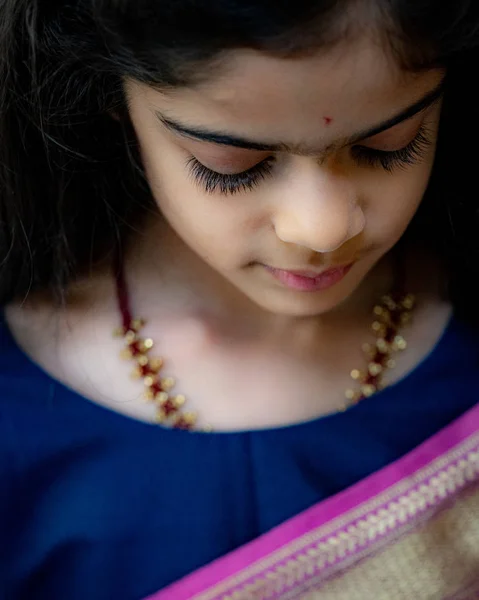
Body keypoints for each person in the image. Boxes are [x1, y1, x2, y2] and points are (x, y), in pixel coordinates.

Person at [1, 0, 479, 598]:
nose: (323, 229)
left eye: (389, 146)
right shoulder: (19, 414)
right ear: (113, 98)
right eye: (235, 166)